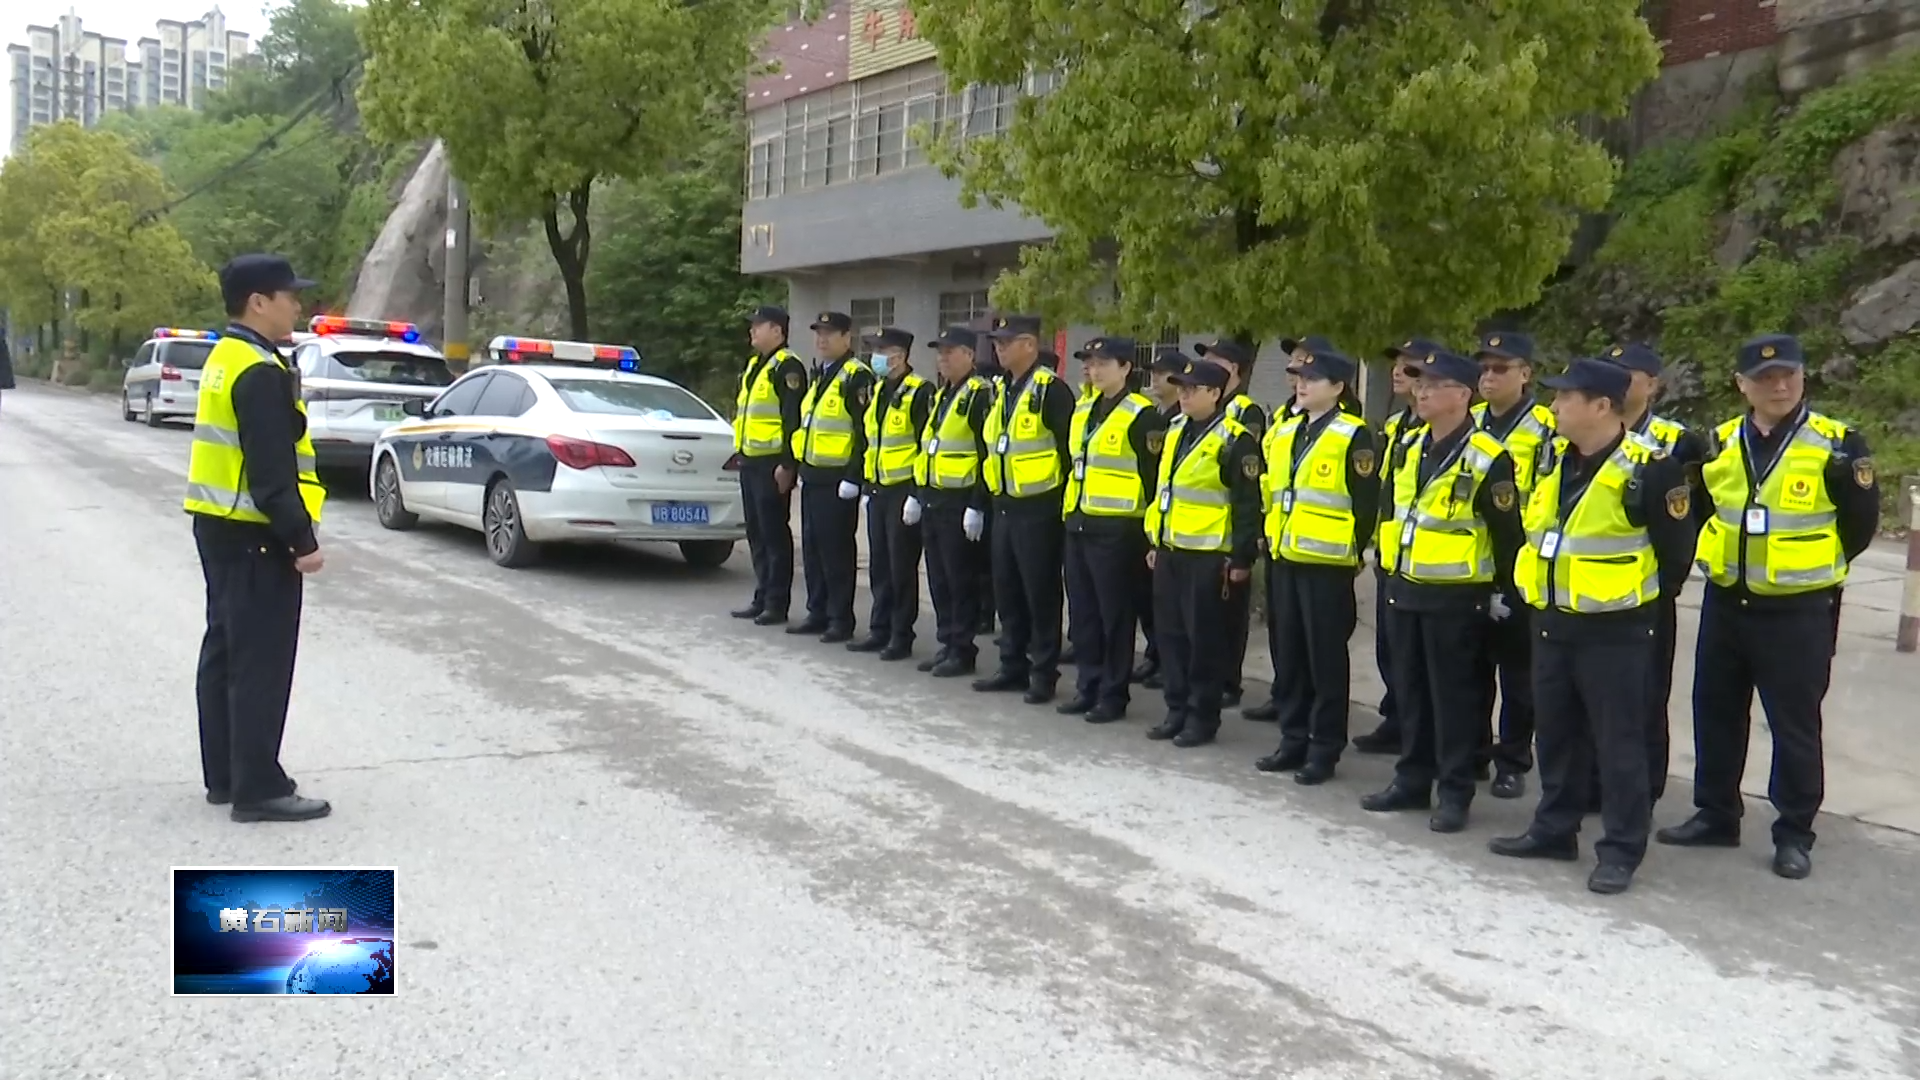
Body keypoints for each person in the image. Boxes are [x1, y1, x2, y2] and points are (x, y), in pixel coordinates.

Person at [1657, 333, 1881, 880]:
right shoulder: (1717, 443)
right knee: (1715, 710)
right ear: (1742, 385)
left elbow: (1859, 525)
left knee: (1793, 724)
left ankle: (1794, 832)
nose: (1779, 386)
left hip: (1796, 609)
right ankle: (1716, 813)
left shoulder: (1836, 445)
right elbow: (1701, 510)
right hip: (1727, 601)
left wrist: (1806, 569)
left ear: (1803, 377)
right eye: (1765, 378)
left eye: (1789, 375)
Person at [1487, 358, 1697, 895]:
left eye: (1565, 398)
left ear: (1601, 406)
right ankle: (1554, 829)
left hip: (1615, 630)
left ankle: (1621, 848)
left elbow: (1676, 555)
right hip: (1553, 620)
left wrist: (1635, 607)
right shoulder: (1557, 460)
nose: (1554, 407)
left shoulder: (1651, 469)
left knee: (1618, 742)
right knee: (1557, 732)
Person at [183, 254, 331, 823]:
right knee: (261, 661)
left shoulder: (227, 357)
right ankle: (259, 788)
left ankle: (226, 775)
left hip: (218, 524)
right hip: (255, 534)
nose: (297, 304)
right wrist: (302, 540)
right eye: (289, 295)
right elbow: (271, 474)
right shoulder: (260, 371)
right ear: (258, 302)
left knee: (225, 651)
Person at [1362, 348, 1524, 833]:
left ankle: (1454, 790)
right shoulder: (1409, 445)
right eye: (1420, 383)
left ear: (1462, 394)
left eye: (1434, 385)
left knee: (1454, 699)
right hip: (1405, 587)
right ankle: (1412, 779)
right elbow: (1395, 512)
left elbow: (1506, 536)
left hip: (1457, 597)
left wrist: (1502, 596)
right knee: (1411, 692)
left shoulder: (1488, 457)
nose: (1422, 392)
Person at [1254, 346, 1381, 784]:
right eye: (1299, 377)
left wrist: (1354, 552)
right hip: (1285, 555)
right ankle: (1293, 739)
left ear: (1338, 386)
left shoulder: (1352, 434)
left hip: (1327, 564)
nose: (1301, 384)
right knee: (1289, 654)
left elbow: (1365, 503)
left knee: (1324, 660)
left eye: (1312, 378)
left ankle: (1324, 748)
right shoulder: (1289, 430)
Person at [1599, 341, 1711, 807]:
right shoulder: (1585, 436)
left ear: (1653, 385)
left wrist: (1668, 581)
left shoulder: (1678, 443)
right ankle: (1593, 782)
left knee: (1645, 692)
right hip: (1591, 588)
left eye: (1629, 375)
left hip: (1648, 588)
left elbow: (1692, 516)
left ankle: (1644, 788)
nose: (1620, 383)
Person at [1142, 358, 1265, 747]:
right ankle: (1176, 709)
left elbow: (1246, 504)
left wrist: (1242, 558)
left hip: (1210, 555)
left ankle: (1202, 716)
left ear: (1215, 393)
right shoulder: (1176, 429)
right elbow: (1165, 490)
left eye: (1192, 389)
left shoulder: (1234, 439)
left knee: (1204, 642)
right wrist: (1156, 541)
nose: (1184, 395)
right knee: (1171, 637)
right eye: (1181, 388)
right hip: (1172, 549)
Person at [1060, 336, 1167, 723]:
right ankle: (1087, 685)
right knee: (1083, 613)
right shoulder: (1084, 409)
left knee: (1115, 616)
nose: (1094, 369)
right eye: (1090, 363)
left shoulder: (1142, 415)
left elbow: (1154, 479)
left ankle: (1113, 693)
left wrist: (1152, 535)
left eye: (1103, 363)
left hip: (1119, 529)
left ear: (1125, 368)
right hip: (1079, 522)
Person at [1470, 331, 1557, 800]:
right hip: (1471, 561)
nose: (1488, 376)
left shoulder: (1546, 429)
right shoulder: (1468, 422)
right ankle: (1474, 751)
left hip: (1521, 563)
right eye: (1483, 368)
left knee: (1518, 673)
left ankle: (1513, 760)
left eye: (1500, 368)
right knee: (1471, 666)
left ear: (1525, 373)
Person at [974, 314, 1076, 704]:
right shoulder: (1003, 389)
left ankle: (1043, 672)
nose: (998, 348)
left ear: (1030, 345)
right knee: (1008, 591)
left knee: (1040, 593)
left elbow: (1067, 452)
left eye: (1006, 342)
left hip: (1039, 508)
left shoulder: (1051, 390)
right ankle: (1011, 664)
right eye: (996, 342)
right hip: (1004, 505)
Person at [1351, 339, 1439, 755]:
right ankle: (1397, 718)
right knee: (1391, 648)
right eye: (1398, 365)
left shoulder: (1436, 430)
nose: (1399, 372)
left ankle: (1424, 734)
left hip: (1430, 566)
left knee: (1425, 661)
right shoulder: (1397, 424)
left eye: (1411, 366)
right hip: (1392, 555)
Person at [1243, 333, 1334, 724]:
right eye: (1294, 362)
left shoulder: (1341, 424)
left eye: (1305, 362)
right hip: (1281, 542)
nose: (1296, 370)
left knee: (1319, 646)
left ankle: (1314, 716)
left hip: (1322, 554)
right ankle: (1286, 699)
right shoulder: (1287, 416)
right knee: (1285, 634)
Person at [788, 311, 876, 644]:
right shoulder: (821, 373)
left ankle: (840, 618)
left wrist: (854, 476)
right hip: (814, 474)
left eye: (829, 333)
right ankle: (818, 611)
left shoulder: (856, 376)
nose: (822, 339)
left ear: (846, 338)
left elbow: (863, 431)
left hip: (838, 479)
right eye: (819, 333)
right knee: (812, 548)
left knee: (835, 551)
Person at [914, 326, 994, 677]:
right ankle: (947, 641)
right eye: (940, 352)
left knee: (961, 579)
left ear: (969, 355)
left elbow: (985, 452)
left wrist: (977, 504)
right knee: (939, 578)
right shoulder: (943, 394)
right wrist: (919, 494)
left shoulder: (979, 394)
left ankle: (962, 648)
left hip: (960, 501)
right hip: (935, 497)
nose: (942, 358)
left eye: (950, 352)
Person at [852, 326, 934, 661]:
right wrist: (866, 484)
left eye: (881, 351)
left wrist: (916, 494)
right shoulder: (878, 390)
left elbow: (925, 446)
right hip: (878, 489)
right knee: (880, 565)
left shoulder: (920, 391)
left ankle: (901, 635)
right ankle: (879, 628)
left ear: (898, 356)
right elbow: (871, 440)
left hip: (903, 491)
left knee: (901, 567)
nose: (875, 357)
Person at [1195, 338, 1266, 710]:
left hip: (1228, 533)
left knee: (1230, 616)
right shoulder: (1207, 408)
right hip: (1198, 537)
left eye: (1215, 359)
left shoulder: (1245, 411)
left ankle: (1228, 681)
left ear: (1233, 369)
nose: (1206, 364)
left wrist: (1244, 546)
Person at [731, 306, 809, 627]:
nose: (752, 331)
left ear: (777, 331)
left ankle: (777, 602)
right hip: (750, 460)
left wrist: (787, 464)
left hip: (772, 463)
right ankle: (762, 596)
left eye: (759, 326)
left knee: (774, 533)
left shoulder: (787, 367)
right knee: (756, 533)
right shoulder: (755, 365)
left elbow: (792, 418)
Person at [1133, 346, 1188, 691]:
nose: (1154, 378)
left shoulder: (1180, 419)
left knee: (1167, 604)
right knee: (1147, 596)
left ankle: (1166, 660)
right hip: (1152, 518)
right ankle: (1155, 654)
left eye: (1162, 373)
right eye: (1152, 372)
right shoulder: (1157, 415)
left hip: (1174, 526)